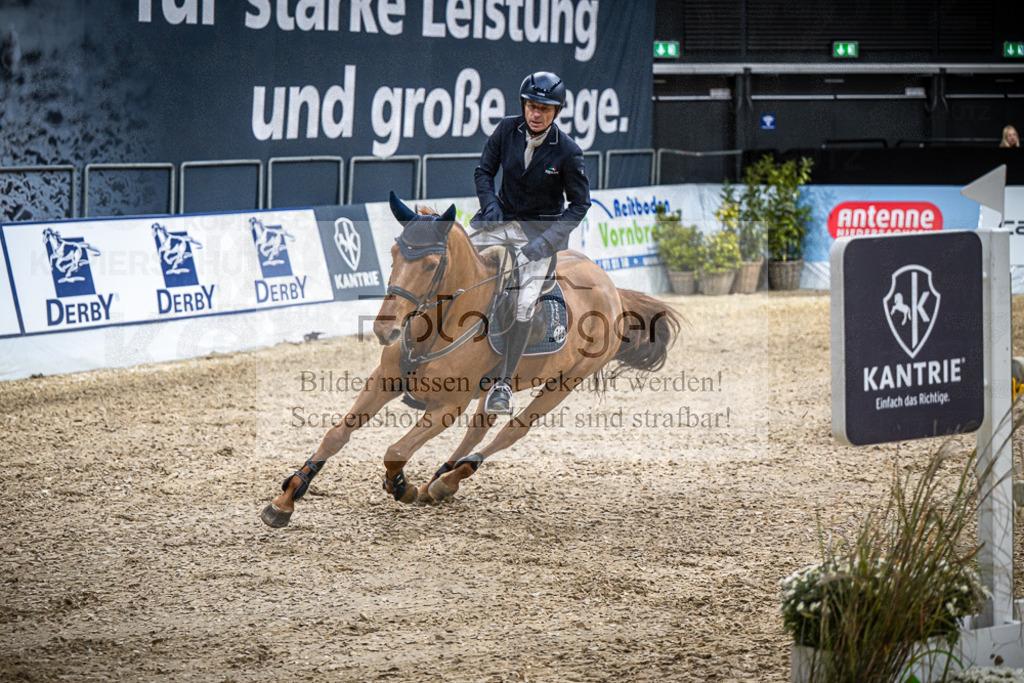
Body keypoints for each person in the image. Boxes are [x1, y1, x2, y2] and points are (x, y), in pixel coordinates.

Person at [469, 71, 591, 415]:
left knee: (523, 301)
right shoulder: (507, 129)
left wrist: (548, 243)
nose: (536, 114)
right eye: (532, 106)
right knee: (456, 264)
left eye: (544, 109)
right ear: (524, 105)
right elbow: (484, 171)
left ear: (556, 112)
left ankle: (504, 385)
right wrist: (490, 206)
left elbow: (579, 204)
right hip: (501, 221)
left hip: (539, 235)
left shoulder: (568, 151)